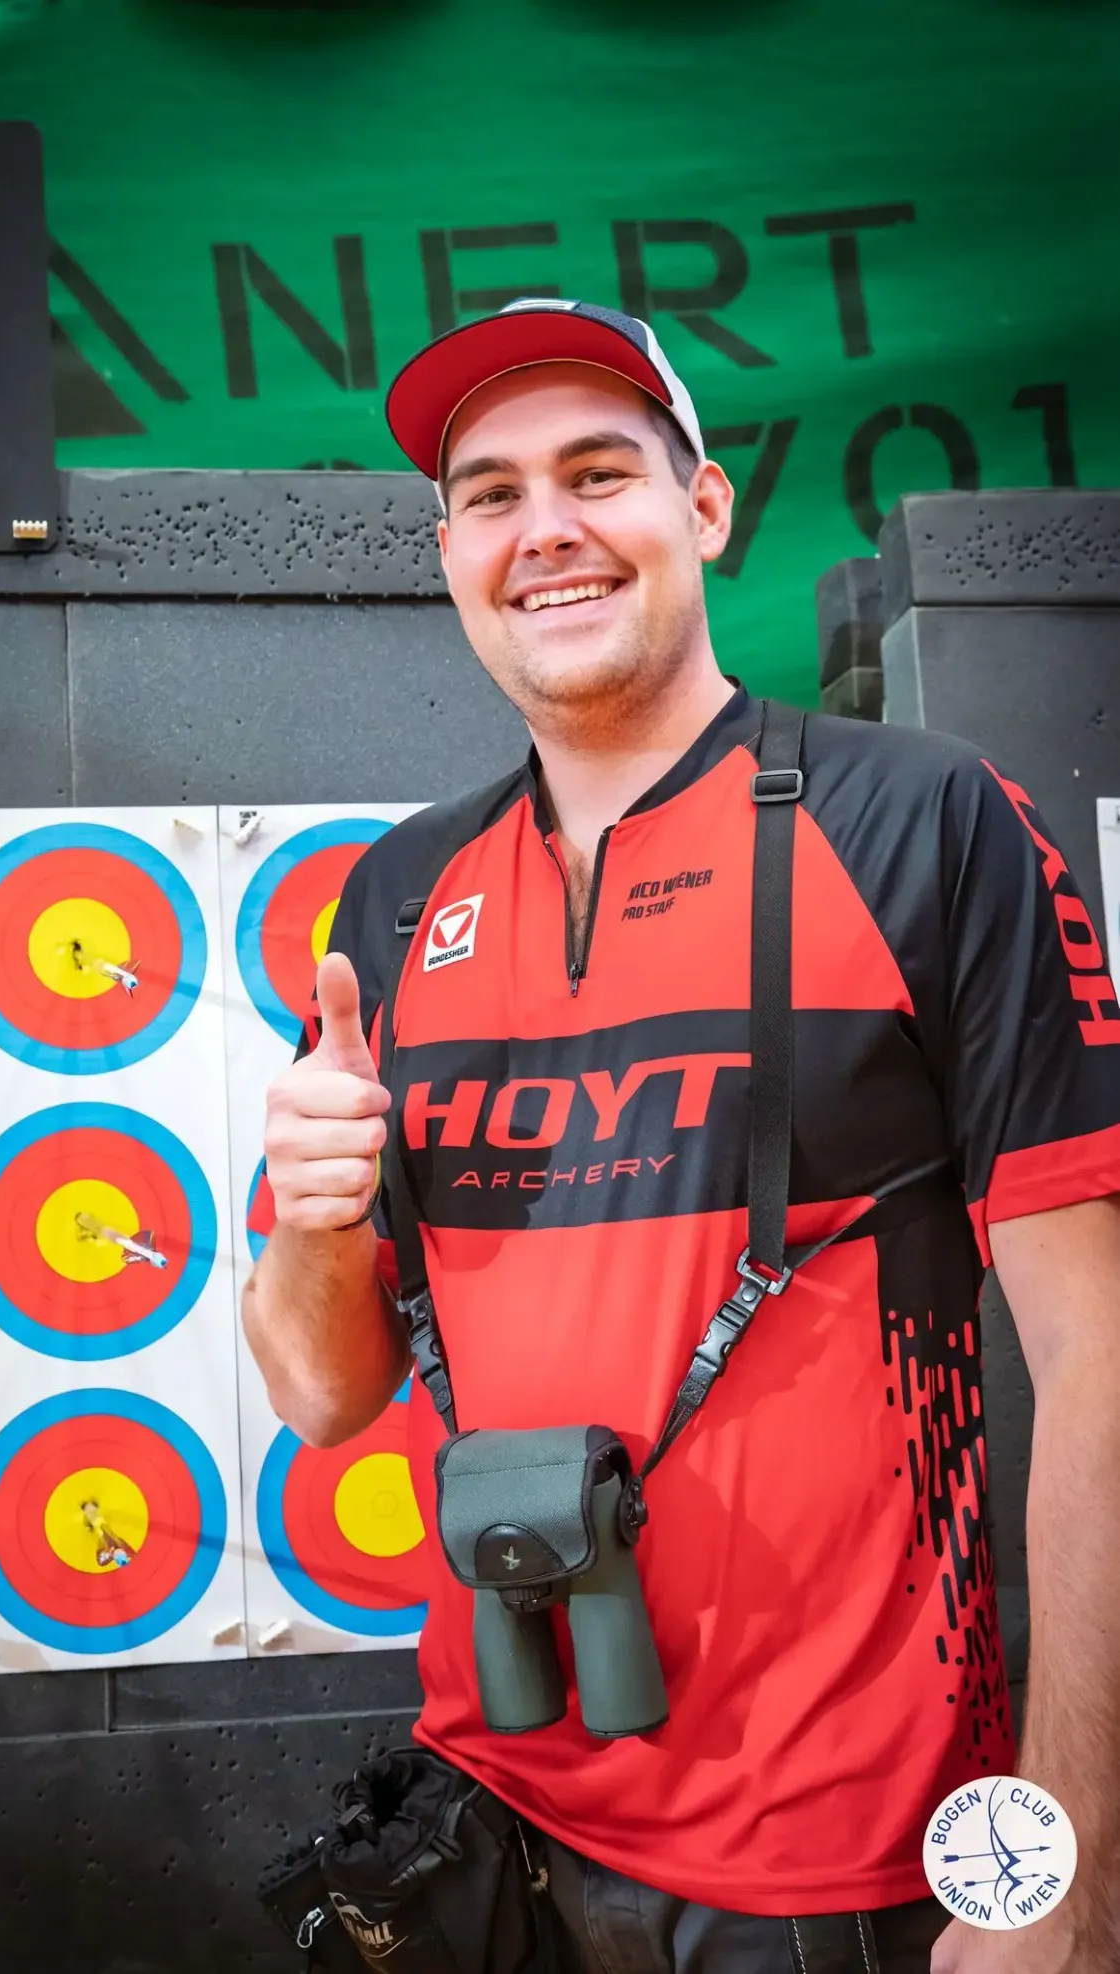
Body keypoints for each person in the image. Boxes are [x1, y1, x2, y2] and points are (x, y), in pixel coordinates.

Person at [242, 300, 1120, 1974]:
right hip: (484, 1827)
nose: (544, 529)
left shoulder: (923, 820)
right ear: (448, 553)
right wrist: (308, 1214)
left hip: (843, 1864)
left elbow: (1098, 1354)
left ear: (702, 507)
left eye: (596, 470)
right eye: (489, 493)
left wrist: (1062, 1870)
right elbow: (319, 1390)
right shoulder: (397, 890)